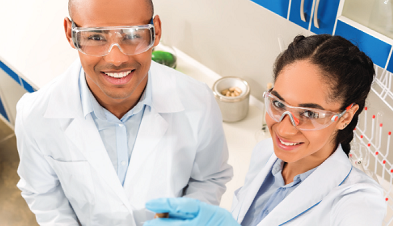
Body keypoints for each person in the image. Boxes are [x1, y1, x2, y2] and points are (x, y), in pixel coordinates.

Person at [15, 0, 233, 225]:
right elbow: (43, 193)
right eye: (96, 37)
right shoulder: (34, 116)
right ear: (71, 34)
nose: (116, 59)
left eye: (132, 35)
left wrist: (183, 221)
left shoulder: (198, 102)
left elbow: (209, 178)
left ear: (156, 32)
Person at [143, 34, 387, 226]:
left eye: (310, 114)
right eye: (279, 104)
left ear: (345, 116)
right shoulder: (265, 154)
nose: (284, 129)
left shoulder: (358, 203)